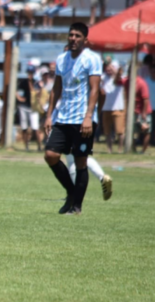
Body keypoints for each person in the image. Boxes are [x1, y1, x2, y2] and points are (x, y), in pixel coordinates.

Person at [44, 22, 103, 215]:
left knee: (80, 162)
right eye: (71, 35)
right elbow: (56, 89)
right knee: (50, 155)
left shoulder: (92, 59)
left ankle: (77, 207)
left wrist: (88, 117)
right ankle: (71, 192)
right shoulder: (62, 59)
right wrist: (49, 115)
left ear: (85, 40)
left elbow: (95, 90)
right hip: (63, 118)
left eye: (78, 36)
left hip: (82, 120)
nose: (73, 39)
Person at [122, 73, 152, 154]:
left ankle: (143, 151)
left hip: (144, 111)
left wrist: (144, 113)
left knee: (146, 131)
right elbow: (117, 82)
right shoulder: (127, 81)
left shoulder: (141, 83)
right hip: (134, 111)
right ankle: (133, 149)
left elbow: (145, 99)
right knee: (131, 130)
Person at [100, 60, 125, 153]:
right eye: (107, 67)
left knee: (120, 131)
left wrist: (115, 71)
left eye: (112, 67)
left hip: (118, 108)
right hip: (106, 108)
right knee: (107, 131)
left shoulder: (120, 78)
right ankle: (109, 149)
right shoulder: (103, 77)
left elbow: (118, 77)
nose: (109, 69)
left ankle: (120, 148)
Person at [17, 66, 40, 151]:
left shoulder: (36, 82)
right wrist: (19, 98)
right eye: (29, 73)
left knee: (35, 127)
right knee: (24, 127)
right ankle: (26, 146)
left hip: (33, 107)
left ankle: (39, 146)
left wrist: (30, 82)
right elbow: (16, 90)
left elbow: (34, 92)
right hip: (24, 106)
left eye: (31, 73)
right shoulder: (23, 82)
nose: (30, 75)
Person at [146, 64, 155, 146]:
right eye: (152, 71)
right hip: (149, 107)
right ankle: (150, 141)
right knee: (149, 126)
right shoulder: (146, 81)